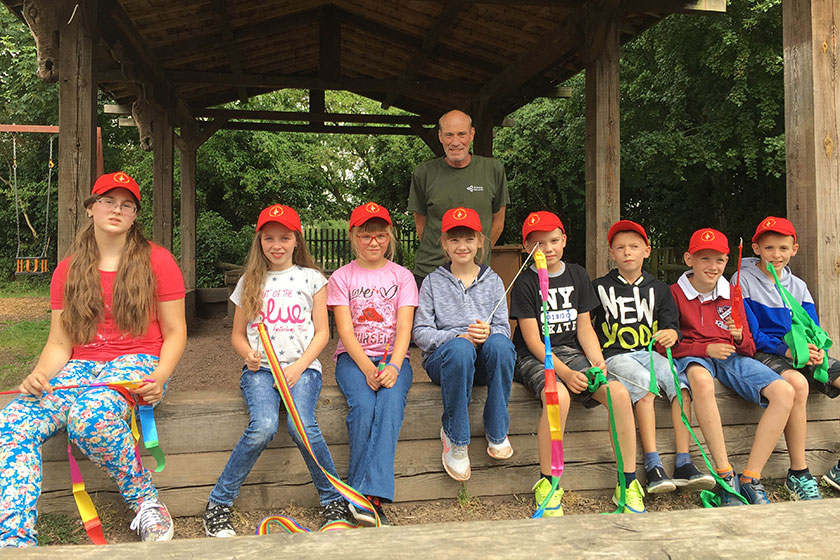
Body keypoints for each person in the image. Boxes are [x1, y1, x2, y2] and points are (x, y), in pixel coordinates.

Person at [0, 171, 187, 547]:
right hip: (82, 367)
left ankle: (145, 500)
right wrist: (38, 374)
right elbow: (59, 343)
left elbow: (175, 331)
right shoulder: (68, 270)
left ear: (135, 215)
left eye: (126, 204)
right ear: (91, 208)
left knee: (90, 418)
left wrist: (161, 377)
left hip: (137, 361)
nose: (116, 209)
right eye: (108, 201)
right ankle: (15, 539)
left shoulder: (158, 260)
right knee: (12, 421)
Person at [202, 204, 350, 537]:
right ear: (260, 241)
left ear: (297, 240)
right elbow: (238, 337)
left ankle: (333, 500)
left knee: (302, 427)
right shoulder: (249, 282)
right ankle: (218, 503)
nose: (277, 245)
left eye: (284, 237)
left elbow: (323, 333)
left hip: (303, 369)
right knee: (264, 426)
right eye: (269, 238)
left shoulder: (312, 279)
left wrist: (299, 367)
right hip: (261, 371)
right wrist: (250, 356)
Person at [509, 211, 642, 517]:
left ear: (564, 240)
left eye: (554, 241)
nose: (548, 249)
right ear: (527, 246)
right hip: (533, 356)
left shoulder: (578, 275)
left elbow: (585, 327)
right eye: (539, 244)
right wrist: (566, 373)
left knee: (619, 394)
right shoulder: (526, 283)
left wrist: (596, 361)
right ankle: (549, 482)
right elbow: (531, 340)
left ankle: (628, 481)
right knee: (559, 397)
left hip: (571, 351)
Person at [669, 228, 794, 506]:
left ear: (727, 261)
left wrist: (738, 337)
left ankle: (750, 478)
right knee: (700, 380)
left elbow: (750, 346)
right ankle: (725, 475)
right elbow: (665, 344)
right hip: (695, 355)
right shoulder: (674, 294)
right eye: (705, 259)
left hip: (731, 356)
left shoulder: (733, 292)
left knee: (785, 392)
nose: (713, 267)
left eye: (720, 260)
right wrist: (703, 349)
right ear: (689, 259)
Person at [592, 220, 714, 494]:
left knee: (678, 383)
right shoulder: (598, 287)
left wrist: (671, 334)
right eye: (620, 248)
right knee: (645, 383)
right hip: (615, 356)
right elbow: (585, 326)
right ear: (611, 252)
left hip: (649, 353)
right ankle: (652, 464)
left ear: (646, 251)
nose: (627, 253)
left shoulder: (660, 289)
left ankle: (684, 461)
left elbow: (671, 326)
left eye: (634, 247)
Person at [733, 216, 840, 499]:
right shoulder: (742, 280)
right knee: (798, 385)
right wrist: (789, 352)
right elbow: (752, 335)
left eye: (783, 248)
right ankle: (799, 473)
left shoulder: (799, 286)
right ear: (756, 248)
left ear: (794, 249)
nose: (775, 255)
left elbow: (813, 328)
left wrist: (817, 351)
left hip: (801, 352)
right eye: (769, 248)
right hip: (768, 352)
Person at [327, 202, 417, 526]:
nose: (373, 242)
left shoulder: (403, 276)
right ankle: (365, 498)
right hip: (353, 360)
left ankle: (363, 496)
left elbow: (405, 326)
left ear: (389, 236)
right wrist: (367, 368)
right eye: (366, 236)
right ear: (354, 237)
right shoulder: (341, 277)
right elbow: (345, 330)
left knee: (390, 403)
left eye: (380, 235)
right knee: (364, 406)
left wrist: (392, 366)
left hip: (394, 358)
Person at [413, 207, 516, 482]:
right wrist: (455, 337)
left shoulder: (493, 280)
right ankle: (456, 438)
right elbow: (420, 332)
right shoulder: (433, 282)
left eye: (469, 239)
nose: (462, 246)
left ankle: (497, 431)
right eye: (454, 239)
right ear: (444, 243)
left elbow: (504, 330)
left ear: (480, 241)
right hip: (446, 361)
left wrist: (488, 332)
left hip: (482, 361)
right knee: (461, 349)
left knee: (501, 346)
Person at [407, 109, 510, 287]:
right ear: (440, 136)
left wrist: (474, 254)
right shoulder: (423, 173)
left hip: (476, 272)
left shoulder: (493, 170)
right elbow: (420, 226)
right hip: (430, 271)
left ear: (472, 134)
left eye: (461, 134)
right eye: (449, 135)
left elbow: (498, 222)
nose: (455, 142)